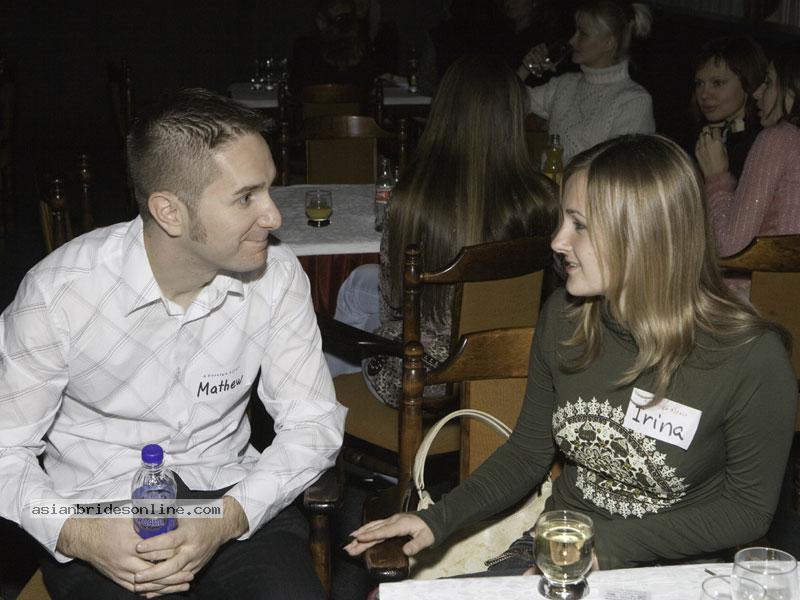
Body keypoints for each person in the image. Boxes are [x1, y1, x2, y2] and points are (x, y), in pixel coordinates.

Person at [344, 134, 797, 572]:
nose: (558, 242)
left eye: (579, 225)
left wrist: (603, 548)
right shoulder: (565, 318)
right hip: (557, 542)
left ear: (643, 236)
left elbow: (747, 510)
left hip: (672, 570)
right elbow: (527, 454)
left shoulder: (750, 356)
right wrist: (435, 519)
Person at [0, 88, 346, 599]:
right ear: (170, 212)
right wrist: (77, 533)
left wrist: (227, 517)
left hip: (227, 497)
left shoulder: (276, 275)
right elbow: (4, 451)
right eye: (246, 197)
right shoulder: (59, 295)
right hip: (100, 514)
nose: (274, 216)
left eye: (269, 189)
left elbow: (312, 424)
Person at [327, 53, 559, 408]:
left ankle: (319, 403)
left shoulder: (411, 200)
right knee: (360, 285)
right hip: (511, 366)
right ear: (513, 117)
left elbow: (394, 309)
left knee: (371, 315)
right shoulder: (543, 199)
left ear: (443, 111)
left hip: (429, 382)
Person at [516, 0, 655, 163]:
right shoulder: (564, 85)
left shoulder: (633, 101)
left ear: (608, 43)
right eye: (575, 31)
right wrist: (525, 68)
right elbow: (507, 103)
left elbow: (624, 170)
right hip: (549, 180)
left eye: (583, 33)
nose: (572, 41)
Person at [695, 47, 800, 258]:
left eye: (768, 82)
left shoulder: (779, 138)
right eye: (698, 84)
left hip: (766, 278)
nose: (757, 93)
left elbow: (731, 247)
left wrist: (716, 177)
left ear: (791, 93)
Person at [690, 36, 768, 180]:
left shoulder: (762, 144)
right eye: (699, 83)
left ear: (748, 83)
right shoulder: (702, 133)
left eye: (717, 83)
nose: (704, 94)